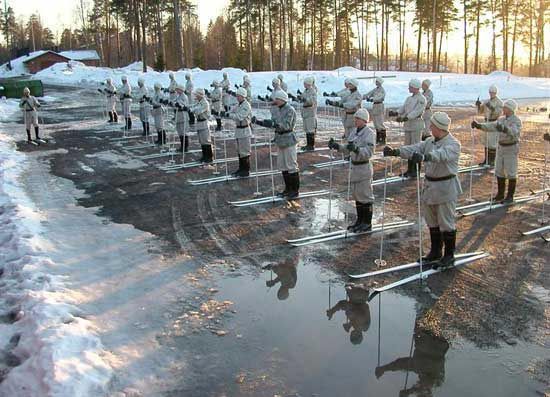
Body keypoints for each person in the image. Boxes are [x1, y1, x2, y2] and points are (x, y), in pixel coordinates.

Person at [384, 112, 461, 268]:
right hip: (431, 187)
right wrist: (397, 152)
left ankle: (449, 256)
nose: (430, 127)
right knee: (432, 221)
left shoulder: (453, 144)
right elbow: (415, 148)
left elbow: (442, 155)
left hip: (445, 188)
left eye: (432, 125)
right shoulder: (429, 141)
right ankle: (435, 251)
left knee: (446, 222)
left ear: (439, 127)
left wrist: (426, 157)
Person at [328, 108, 376, 233]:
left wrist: (357, 150)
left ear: (364, 120)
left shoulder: (369, 133)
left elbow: (369, 152)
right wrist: (337, 146)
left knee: (365, 196)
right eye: (355, 118)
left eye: (358, 118)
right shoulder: (354, 131)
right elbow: (348, 147)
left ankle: (367, 223)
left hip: (363, 167)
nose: (355, 120)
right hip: (354, 167)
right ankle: (359, 221)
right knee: (357, 195)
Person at [375, 325, 449, 397]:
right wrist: (410, 391)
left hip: (425, 331)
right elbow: (427, 382)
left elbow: (400, 364)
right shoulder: (437, 381)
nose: (421, 388)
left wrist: (384, 368)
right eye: (425, 394)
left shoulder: (416, 367)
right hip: (437, 335)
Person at [471, 99, 522, 203]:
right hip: (501, 147)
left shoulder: (516, 120)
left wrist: (504, 129)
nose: (503, 109)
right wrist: (480, 126)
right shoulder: (502, 119)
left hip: (511, 148)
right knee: (499, 171)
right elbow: (492, 126)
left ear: (511, 110)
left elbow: (514, 132)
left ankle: (510, 196)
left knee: (511, 171)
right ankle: (500, 194)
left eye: (505, 108)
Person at [252, 91, 300, 199]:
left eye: (276, 99)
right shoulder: (277, 109)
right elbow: (273, 123)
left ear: (282, 99)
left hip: (288, 139)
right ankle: (287, 189)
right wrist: (260, 122)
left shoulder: (290, 110)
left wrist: (274, 124)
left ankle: (295, 190)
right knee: (283, 165)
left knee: (291, 165)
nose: (274, 101)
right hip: (280, 140)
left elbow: (287, 125)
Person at [388, 78, 426, 178]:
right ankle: (409, 169)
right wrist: (396, 112)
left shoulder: (422, 99)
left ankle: (416, 170)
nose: (409, 88)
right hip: (408, 125)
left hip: (416, 125)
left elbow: (417, 111)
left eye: (410, 86)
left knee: (415, 147)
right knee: (408, 147)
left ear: (415, 87)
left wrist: (406, 117)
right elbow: (403, 108)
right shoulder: (409, 98)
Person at [475, 85, 503, 166]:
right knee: (486, 142)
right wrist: (478, 105)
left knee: (492, 142)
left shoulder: (499, 102)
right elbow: (480, 111)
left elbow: (498, 113)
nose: (491, 94)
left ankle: (492, 160)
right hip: (486, 122)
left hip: (494, 123)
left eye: (493, 93)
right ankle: (486, 160)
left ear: (496, 93)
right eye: (490, 92)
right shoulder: (487, 101)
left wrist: (491, 107)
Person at [228, 87, 253, 177]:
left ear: (243, 96)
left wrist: (229, 115)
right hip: (239, 130)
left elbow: (239, 117)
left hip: (245, 130)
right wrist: (225, 113)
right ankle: (241, 168)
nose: (237, 97)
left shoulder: (246, 105)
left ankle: (246, 170)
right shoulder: (239, 104)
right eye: (237, 96)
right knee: (239, 150)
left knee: (244, 151)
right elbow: (232, 110)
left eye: (239, 96)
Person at [190, 88, 213, 163]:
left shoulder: (205, 103)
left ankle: (209, 157)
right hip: (199, 122)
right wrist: (188, 108)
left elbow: (198, 111)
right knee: (201, 140)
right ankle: (204, 156)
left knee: (206, 140)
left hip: (204, 122)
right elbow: (192, 107)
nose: (195, 96)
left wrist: (192, 110)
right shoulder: (199, 102)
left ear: (200, 95)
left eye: (196, 94)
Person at [364, 77, 386, 144]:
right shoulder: (375, 89)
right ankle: (378, 138)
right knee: (376, 123)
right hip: (375, 106)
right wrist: (364, 97)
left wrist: (372, 99)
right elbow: (369, 93)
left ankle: (383, 139)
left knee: (380, 123)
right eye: (376, 82)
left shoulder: (382, 90)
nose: (376, 83)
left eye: (377, 82)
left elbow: (379, 97)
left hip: (379, 106)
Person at [299, 76, 318, 151]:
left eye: (305, 83)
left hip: (310, 113)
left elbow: (312, 101)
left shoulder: (313, 91)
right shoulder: (306, 91)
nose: (304, 84)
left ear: (308, 83)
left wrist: (304, 99)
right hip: (306, 112)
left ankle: (311, 145)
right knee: (307, 129)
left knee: (310, 129)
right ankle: (308, 144)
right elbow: (303, 97)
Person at [173, 85, 190, 153]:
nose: (177, 91)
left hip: (183, 115)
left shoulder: (184, 96)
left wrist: (179, 105)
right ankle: (182, 146)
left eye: (178, 89)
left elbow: (185, 105)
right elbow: (175, 102)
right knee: (180, 131)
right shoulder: (178, 96)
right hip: (178, 115)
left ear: (181, 90)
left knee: (183, 131)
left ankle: (185, 147)